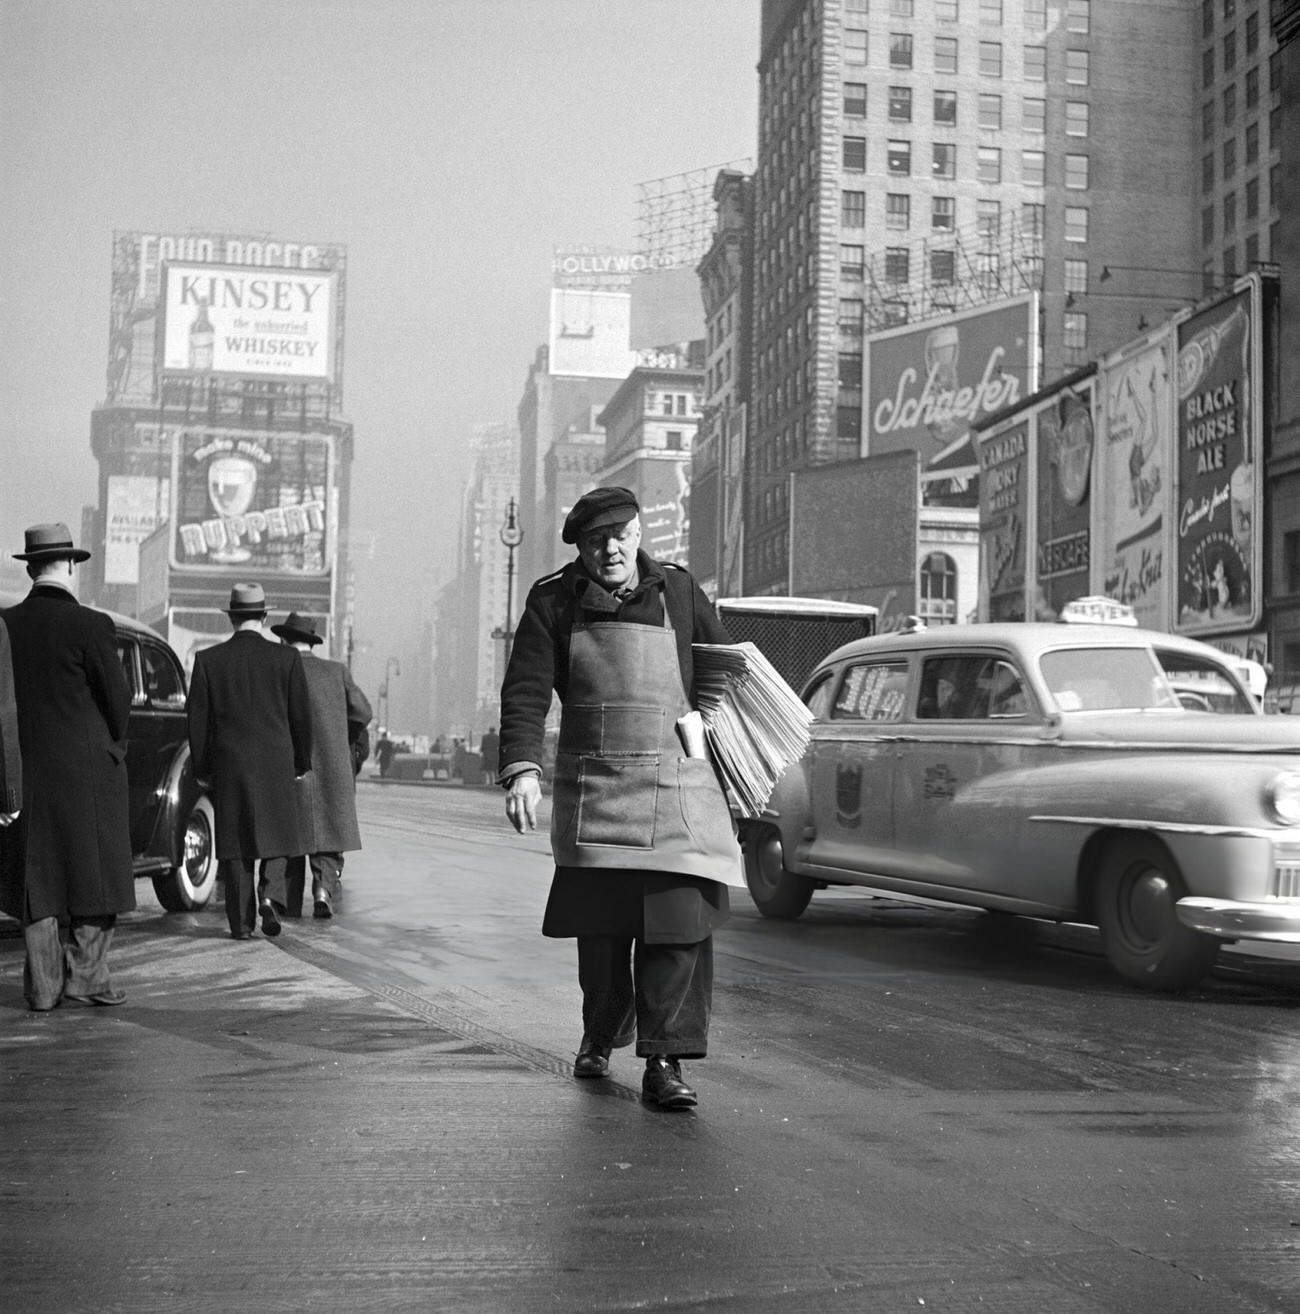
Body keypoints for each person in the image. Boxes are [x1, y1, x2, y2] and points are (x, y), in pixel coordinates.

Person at [499, 486, 744, 1111]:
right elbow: (525, 691)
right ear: (579, 548)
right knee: (604, 937)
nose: (611, 548)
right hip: (597, 793)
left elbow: (726, 673)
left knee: (678, 928)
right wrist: (523, 770)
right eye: (595, 540)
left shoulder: (681, 591)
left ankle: (665, 1061)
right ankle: (600, 1033)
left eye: (622, 535)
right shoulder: (551, 601)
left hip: (675, 788)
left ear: (639, 533)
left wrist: (744, 762)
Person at [0, 523, 134, 1011]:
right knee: (95, 876)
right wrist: (111, 746)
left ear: (31, 567)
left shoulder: (6, 624)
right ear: (72, 566)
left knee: (39, 882)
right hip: (87, 773)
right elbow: (117, 703)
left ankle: (42, 987)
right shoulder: (92, 626)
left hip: (26, 774)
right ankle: (88, 978)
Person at [187, 583, 312, 940]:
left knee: (236, 844)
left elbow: (198, 722)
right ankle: (270, 896)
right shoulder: (286, 659)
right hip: (276, 761)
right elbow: (301, 717)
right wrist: (301, 761)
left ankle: (241, 924)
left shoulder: (208, 661)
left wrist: (203, 769)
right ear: (264, 616)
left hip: (230, 764)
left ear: (232, 618)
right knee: (278, 834)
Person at [268, 612, 372, 919]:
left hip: (289, 764)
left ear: (284, 639)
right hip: (331, 766)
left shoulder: (278, 670)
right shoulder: (336, 671)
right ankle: (323, 890)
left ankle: (285, 901)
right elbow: (363, 712)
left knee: (288, 837)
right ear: (311, 643)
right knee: (327, 834)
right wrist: (341, 736)